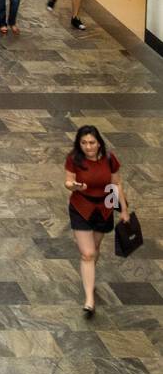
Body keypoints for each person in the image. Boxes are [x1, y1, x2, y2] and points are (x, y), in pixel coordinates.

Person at [63, 125, 130, 317]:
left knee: (95, 249)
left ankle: (89, 275)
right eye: (83, 143)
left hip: (104, 207)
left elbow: (117, 184)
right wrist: (74, 186)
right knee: (88, 253)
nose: (88, 146)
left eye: (91, 142)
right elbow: (68, 181)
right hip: (81, 207)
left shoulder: (110, 159)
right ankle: (89, 299)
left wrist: (124, 210)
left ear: (99, 143)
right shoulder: (74, 159)